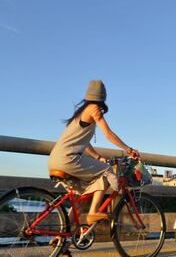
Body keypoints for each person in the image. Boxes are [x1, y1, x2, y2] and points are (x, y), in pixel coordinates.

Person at [48, 79, 140, 225]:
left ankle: (61, 239)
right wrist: (129, 149)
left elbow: (85, 143)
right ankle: (93, 212)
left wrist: (97, 157)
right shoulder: (94, 109)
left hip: (56, 159)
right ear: (103, 97)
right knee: (107, 171)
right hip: (69, 159)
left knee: (81, 200)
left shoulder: (80, 112)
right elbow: (108, 134)